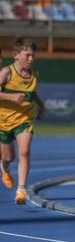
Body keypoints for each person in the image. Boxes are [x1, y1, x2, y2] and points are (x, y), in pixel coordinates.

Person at [0, 37, 46, 204]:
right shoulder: (6, 72)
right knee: (8, 157)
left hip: (24, 119)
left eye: (33, 55)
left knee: (24, 151)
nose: (31, 59)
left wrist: (42, 106)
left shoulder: (35, 73)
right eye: (27, 55)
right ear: (16, 55)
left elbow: (32, 93)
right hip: (4, 121)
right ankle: (4, 168)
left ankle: (21, 190)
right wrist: (11, 96)